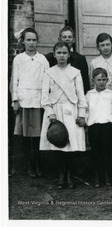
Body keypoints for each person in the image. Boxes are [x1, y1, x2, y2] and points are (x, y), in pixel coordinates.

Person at [40, 41, 87, 189]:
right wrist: (50, 113)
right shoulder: (49, 72)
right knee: (57, 144)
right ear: (54, 55)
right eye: (59, 53)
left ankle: (69, 175)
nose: (62, 55)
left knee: (71, 145)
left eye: (64, 53)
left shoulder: (75, 72)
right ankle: (60, 174)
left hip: (71, 112)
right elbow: (44, 96)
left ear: (69, 54)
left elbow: (81, 96)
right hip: (55, 112)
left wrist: (81, 114)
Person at [11, 27, 49, 177]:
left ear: (37, 41)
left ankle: (39, 164)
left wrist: (46, 101)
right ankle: (29, 165)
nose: (31, 43)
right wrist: (15, 100)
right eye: (29, 40)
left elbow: (47, 81)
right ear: (23, 42)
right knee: (26, 136)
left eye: (34, 40)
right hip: (24, 100)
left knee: (38, 135)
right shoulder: (19, 59)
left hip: (39, 101)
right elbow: (15, 80)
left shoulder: (43, 59)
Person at [86, 67, 112, 188]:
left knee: (107, 151)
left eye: (104, 79)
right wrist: (85, 120)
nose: (101, 82)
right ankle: (97, 176)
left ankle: (107, 175)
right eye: (98, 79)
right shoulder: (89, 95)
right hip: (94, 125)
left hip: (107, 125)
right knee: (95, 151)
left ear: (107, 80)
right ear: (93, 80)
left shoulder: (111, 94)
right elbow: (86, 110)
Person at [45, 26, 90, 93]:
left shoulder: (80, 59)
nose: (67, 39)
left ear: (74, 40)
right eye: (64, 37)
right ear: (59, 39)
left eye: (69, 37)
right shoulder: (50, 58)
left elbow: (85, 83)